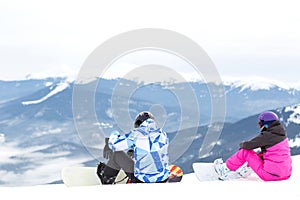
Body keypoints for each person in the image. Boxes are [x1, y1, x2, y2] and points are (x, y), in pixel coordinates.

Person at [214, 111, 292, 181]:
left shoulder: (267, 136)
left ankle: (224, 170)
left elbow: (248, 145)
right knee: (263, 154)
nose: (259, 126)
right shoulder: (282, 136)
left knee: (245, 152)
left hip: (270, 175)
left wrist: (242, 145)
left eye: (260, 124)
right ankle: (245, 171)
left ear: (266, 124)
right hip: (286, 175)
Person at [97, 111, 170, 184]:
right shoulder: (163, 134)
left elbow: (115, 145)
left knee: (117, 154)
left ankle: (106, 180)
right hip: (163, 180)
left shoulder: (136, 134)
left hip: (142, 181)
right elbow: (151, 149)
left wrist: (112, 136)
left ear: (138, 123)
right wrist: (133, 150)